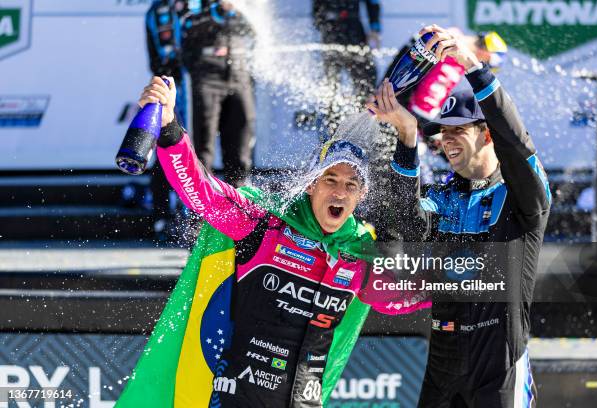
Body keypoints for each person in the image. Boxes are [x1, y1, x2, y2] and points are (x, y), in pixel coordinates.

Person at [133, 75, 428, 407]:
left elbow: (406, 291)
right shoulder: (265, 223)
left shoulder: (358, 254)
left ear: (361, 196)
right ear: (310, 186)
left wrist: (408, 136)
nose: (339, 191)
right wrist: (171, 128)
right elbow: (199, 190)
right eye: (330, 179)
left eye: (351, 184)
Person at [368, 25, 551, 407]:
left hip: (498, 368)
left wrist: (473, 68)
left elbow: (517, 145)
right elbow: (406, 224)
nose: (446, 140)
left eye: (458, 130)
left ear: (487, 135)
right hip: (442, 366)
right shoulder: (443, 198)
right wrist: (406, 135)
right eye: (442, 132)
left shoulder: (520, 197)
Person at [182, 0, 255, 187]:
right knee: (203, 149)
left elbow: (256, 29)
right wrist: (218, 10)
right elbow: (185, 23)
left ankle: (240, 203)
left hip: (239, 73)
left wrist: (239, 11)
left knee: (240, 147)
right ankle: (200, 209)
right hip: (207, 75)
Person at [145, 0, 189, 239]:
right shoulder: (158, 11)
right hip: (174, 92)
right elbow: (158, 58)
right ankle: (161, 215)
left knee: (196, 153)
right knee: (166, 151)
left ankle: (191, 215)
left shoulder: (198, 8)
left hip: (201, 90)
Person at [313, 0, 381, 135]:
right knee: (330, 88)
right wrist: (321, 23)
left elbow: (373, 3)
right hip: (330, 31)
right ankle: (330, 136)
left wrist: (375, 29)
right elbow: (317, 7)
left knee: (367, 82)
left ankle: (365, 129)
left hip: (353, 30)